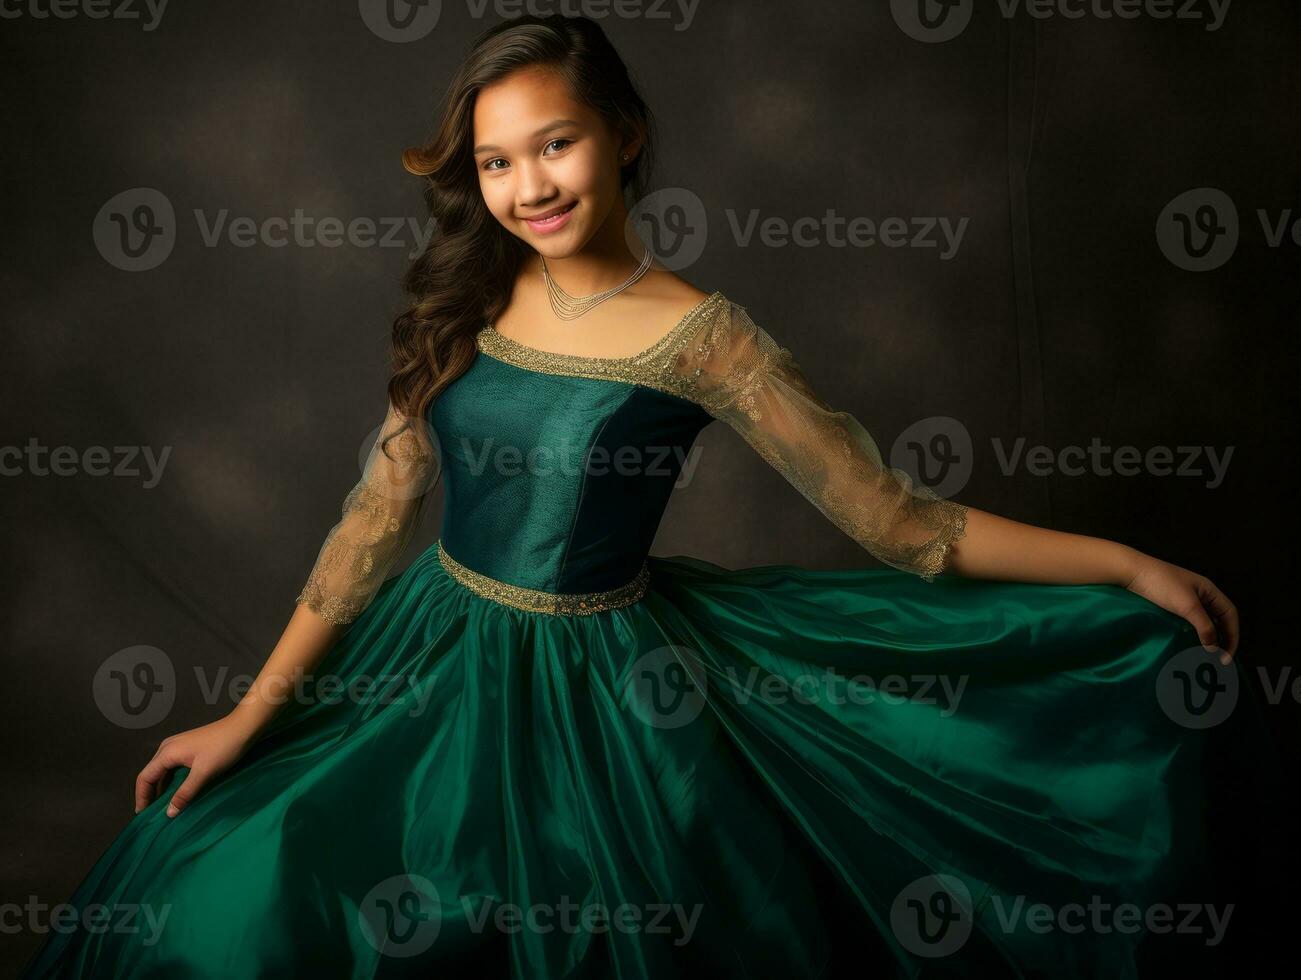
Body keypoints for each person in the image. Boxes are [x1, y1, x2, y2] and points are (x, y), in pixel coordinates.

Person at [21, 14, 1245, 979]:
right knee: (212, 884)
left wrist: (1123, 562)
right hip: (431, 658)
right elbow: (369, 525)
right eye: (495, 160)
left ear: (620, 133)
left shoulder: (704, 337)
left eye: (553, 143)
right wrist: (249, 713)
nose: (525, 186)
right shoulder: (467, 295)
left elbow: (899, 523)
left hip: (604, 699)